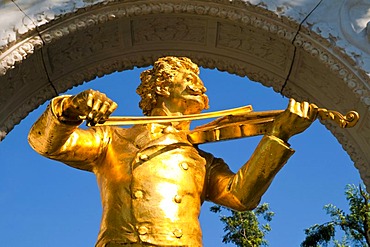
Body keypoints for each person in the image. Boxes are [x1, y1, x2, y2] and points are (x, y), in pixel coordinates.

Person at [28, 56, 317, 247]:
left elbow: (241, 196)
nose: (200, 86)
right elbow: (47, 143)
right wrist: (70, 108)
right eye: (189, 80)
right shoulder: (113, 138)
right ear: (161, 88)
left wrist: (278, 135)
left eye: (199, 81)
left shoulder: (201, 159)